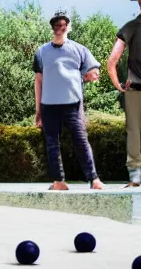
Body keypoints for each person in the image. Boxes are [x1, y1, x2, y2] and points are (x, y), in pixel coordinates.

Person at [33, 10, 104, 190]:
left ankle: (94, 180)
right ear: (52, 27)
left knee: (81, 140)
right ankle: (59, 182)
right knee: (51, 144)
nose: (60, 27)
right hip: (49, 104)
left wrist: (84, 77)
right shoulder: (41, 52)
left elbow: (95, 72)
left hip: (73, 103)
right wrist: (38, 110)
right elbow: (38, 80)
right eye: (57, 24)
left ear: (68, 26)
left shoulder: (79, 49)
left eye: (63, 23)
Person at [107, 0, 141, 186]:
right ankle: (135, 174)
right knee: (133, 130)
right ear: (139, 2)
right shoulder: (130, 27)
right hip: (135, 88)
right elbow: (112, 60)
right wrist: (118, 84)